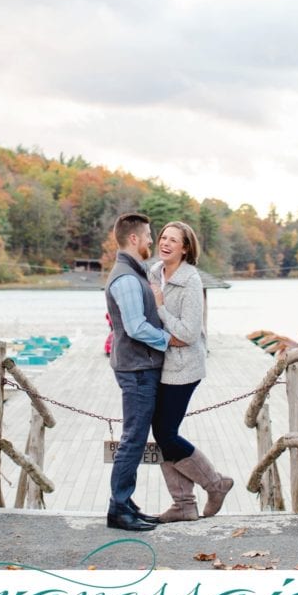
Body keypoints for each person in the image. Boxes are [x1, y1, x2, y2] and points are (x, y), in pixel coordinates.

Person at [104, 212, 184, 531]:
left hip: (141, 367)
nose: (153, 240)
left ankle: (127, 503)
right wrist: (169, 340)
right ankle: (118, 509)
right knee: (133, 439)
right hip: (136, 369)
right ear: (134, 239)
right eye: (149, 235)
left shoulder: (134, 273)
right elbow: (136, 327)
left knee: (135, 437)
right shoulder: (125, 277)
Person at [149, 221, 233, 521]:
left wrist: (160, 309)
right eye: (163, 237)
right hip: (159, 364)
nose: (166, 243)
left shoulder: (191, 281)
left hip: (184, 366)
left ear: (185, 248)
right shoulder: (154, 272)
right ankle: (184, 504)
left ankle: (215, 484)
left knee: (165, 433)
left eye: (174, 240)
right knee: (161, 434)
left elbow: (188, 333)